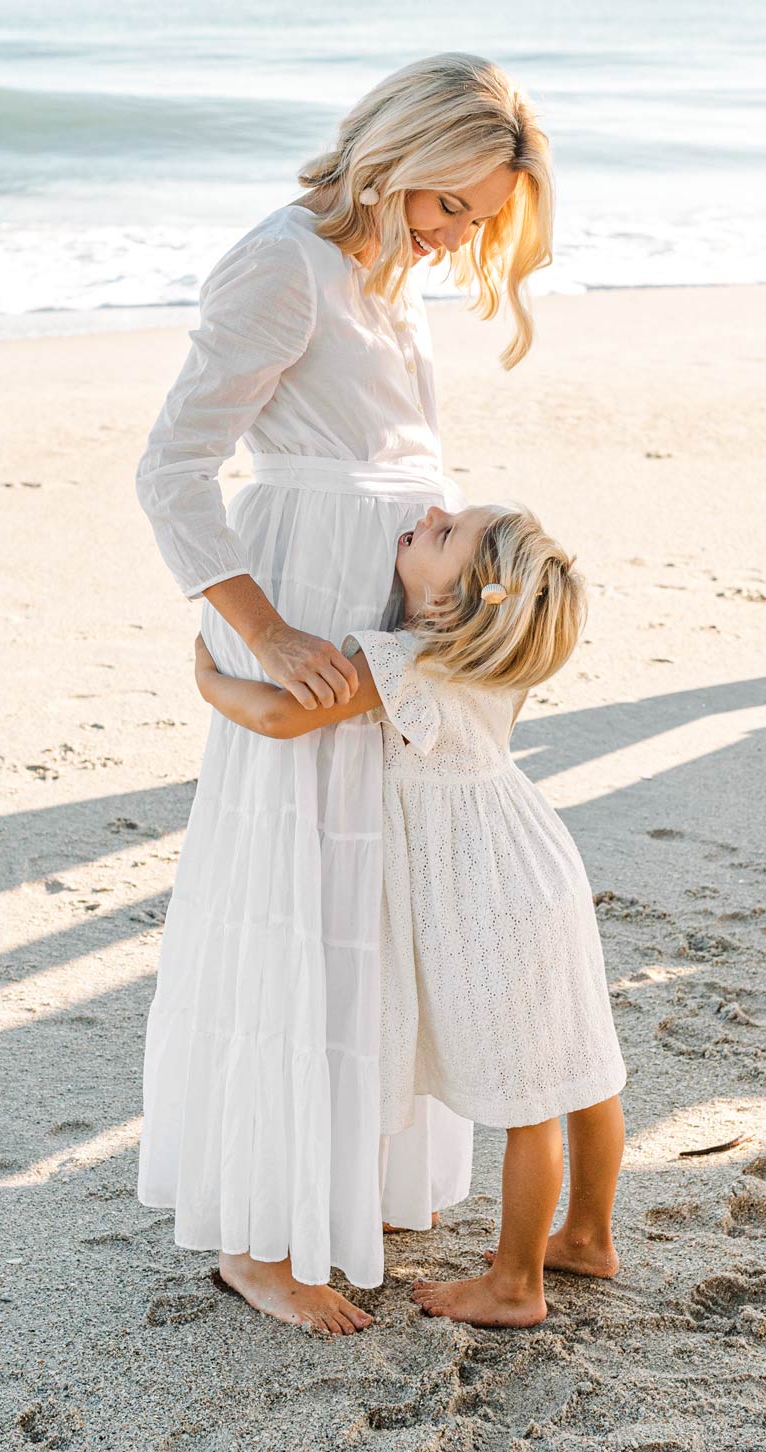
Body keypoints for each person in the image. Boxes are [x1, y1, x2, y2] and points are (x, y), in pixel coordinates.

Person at [133, 52, 555, 1334]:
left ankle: (340, 1182)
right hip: (307, 603)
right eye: (449, 208)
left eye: (477, 221)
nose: (456, 239)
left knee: (374, 900)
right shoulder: (281, 263)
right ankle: (263, 1240)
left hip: (380, 607)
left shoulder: (386, 272)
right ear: (393, 160)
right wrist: (259, 629)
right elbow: (172, 472)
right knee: (292, 902)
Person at [194, 501, 628, 1328]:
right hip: (541, 865)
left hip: (487, 894)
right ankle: (588, 1236)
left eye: (443, 534)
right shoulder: (502, 659)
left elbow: (283, 716)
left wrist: (209, 678)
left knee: (528, 1105)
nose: (428, 514)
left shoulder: (406, 661)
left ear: (455, 597)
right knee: (582, 1068)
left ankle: (515, 1284)